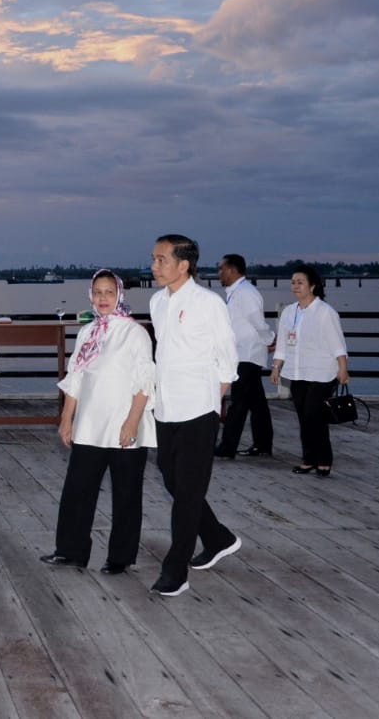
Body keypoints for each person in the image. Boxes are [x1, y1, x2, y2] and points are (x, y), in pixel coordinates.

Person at [40, 269, 156, 575]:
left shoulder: (135, 333)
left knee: (126, 493)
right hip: (90, 424)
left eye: (109, 292)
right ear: (90, 296)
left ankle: (120, 556)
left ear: (119, 295)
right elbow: (75, 378)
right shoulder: (87, 332)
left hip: (124, 425)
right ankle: (71, 551)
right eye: (97, 292)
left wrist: (132, 423)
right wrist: (67, 419)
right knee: (77, 489)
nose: (103, 298)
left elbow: (145, 382)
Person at [147, 234, 241, 597]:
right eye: (153, 259)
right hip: (166, 407)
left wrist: (214, 404)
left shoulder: (208, 303)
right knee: (172, 481)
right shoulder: (157, 302)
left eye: (161, 259)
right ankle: (217, 537)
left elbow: (227, 355)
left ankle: (176, 569)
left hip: (199, 410)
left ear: (183, 264)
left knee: (187, 492)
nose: (154, 266)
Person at [270, 264, 349, 477]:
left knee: (314, 416)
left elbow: (337, 343)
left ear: (312, 286)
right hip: (297, 372)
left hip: (322, 372)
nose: (295, 286)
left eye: (300, 282)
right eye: (293, 282)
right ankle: (309, 458)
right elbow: (283, 344)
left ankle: (323, 459)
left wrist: (343, 368)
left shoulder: (325, 312)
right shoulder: (289, 311)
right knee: (304, 418)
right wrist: (276, 366)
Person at [214, 254, 275, 458]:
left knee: (238, 402)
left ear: (232, 270)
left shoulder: (246, 293)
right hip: (241, 353)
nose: (219, 273)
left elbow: (257, 322)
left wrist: (269, 339)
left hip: (247, 354)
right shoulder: (235, 292)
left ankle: (227, 447)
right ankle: (263, 443)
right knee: (256, 403)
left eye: (221, 268)